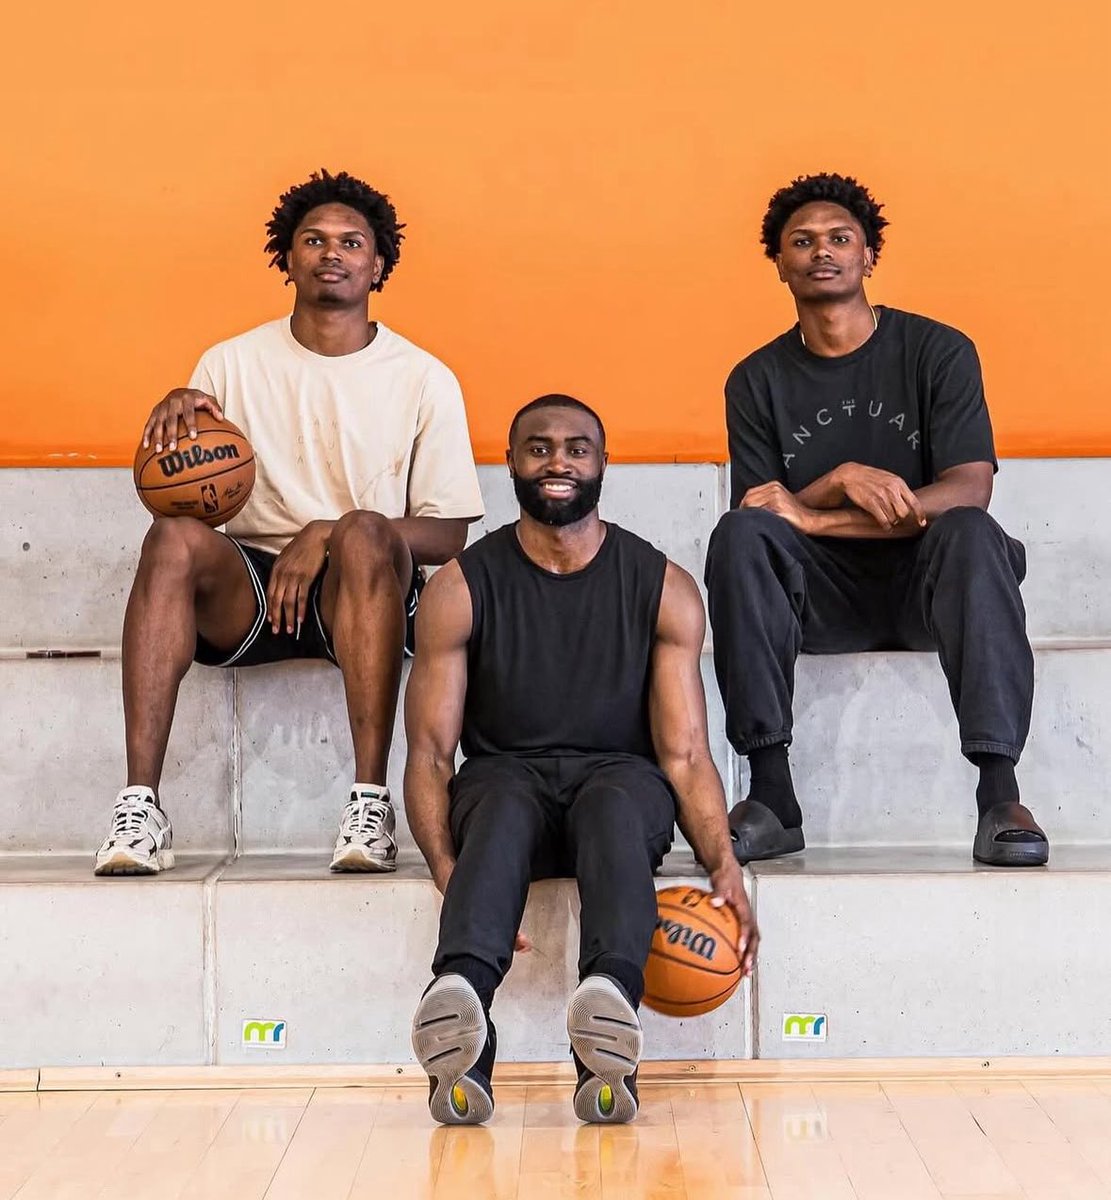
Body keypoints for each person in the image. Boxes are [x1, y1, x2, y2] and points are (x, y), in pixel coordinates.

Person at [95, 169, 483, 876]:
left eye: (351, 242)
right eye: (314, 240)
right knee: (171, 537)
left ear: (378, 264)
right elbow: (187, 496)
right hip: (253, 590)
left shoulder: (423, 377)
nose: (331, 253)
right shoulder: (228, 362)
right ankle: (139, 805)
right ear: (287, 257)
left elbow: (450, 535)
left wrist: (329, 532)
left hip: (363, 592)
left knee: (366, 530)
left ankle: (368, 804)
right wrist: (168, 434)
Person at [404, 395, 758, 1126]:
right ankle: (461, 1019)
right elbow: (432, 754)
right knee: (498, 807)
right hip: (506, 775)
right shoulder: (460, 586)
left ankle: (607, 1021)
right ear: (509, 461)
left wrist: (722, 860)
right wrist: (447, 869)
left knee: (615, 807)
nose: (556, 461)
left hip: (617, 775)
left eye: (575, 448)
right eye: (537, 447)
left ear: (601, 463)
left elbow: (685, 752)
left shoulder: (660, 586)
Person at [704, 172, 1047, 868]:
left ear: (868, 256)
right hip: (822, 600)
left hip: (933, 586)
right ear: (778, 262)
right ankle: (771, 794)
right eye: (800, 241)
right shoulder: (755, 379)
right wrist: (836, 480)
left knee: (972, 534)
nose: (820, 252)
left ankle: (999, 795)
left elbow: (965, 490)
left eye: (838, 238)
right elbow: (763, 513)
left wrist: (816, 514)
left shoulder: (936, 351)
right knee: (736, 538)